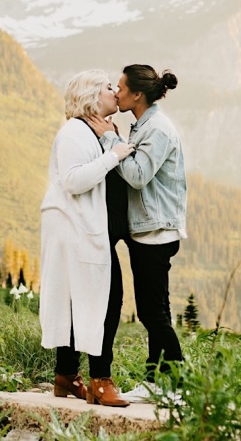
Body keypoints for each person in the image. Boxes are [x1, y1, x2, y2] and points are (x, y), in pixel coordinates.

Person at [39, 69, 134, 407]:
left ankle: (66, 375)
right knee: (105, 298)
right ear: (93, 96)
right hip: (76, 229)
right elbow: (73, 181)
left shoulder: (94, 132)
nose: (115, 92)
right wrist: (114, 155)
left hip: (88, 228)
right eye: (109, 87)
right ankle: (100, 380)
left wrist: (112, 143)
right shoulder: (73, 133)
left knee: (79, 297)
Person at [89, 64, 187, 386]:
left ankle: (179, 382)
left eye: (120, 88)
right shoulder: (144, 124)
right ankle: (157, 381)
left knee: (150, 313)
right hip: (148, 230)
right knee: (159, 310)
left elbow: (137, 175)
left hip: (155, 234)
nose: (116, 93)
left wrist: (109, 140)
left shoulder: (157, 129)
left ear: (137, 94)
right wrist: (117, 140)